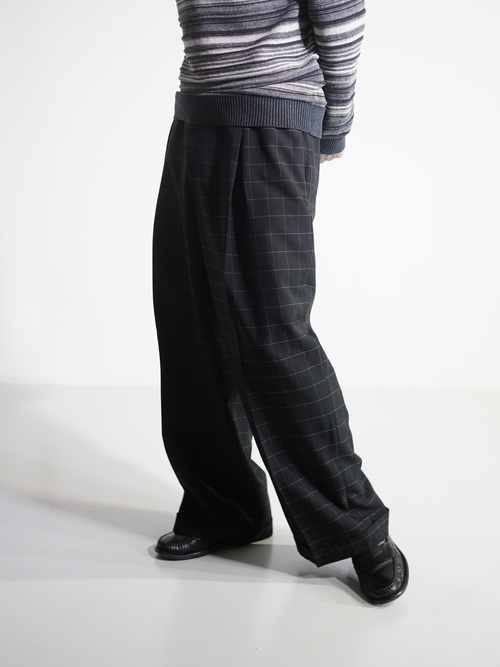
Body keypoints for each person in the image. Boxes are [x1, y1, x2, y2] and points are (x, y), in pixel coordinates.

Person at [151, 0, 409, 605]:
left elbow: (340, 13)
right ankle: (224, 507)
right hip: (196, 116)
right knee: (191, 323)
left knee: (272, 333)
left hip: (272, 118)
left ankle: (358, 525)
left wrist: (334, 122)